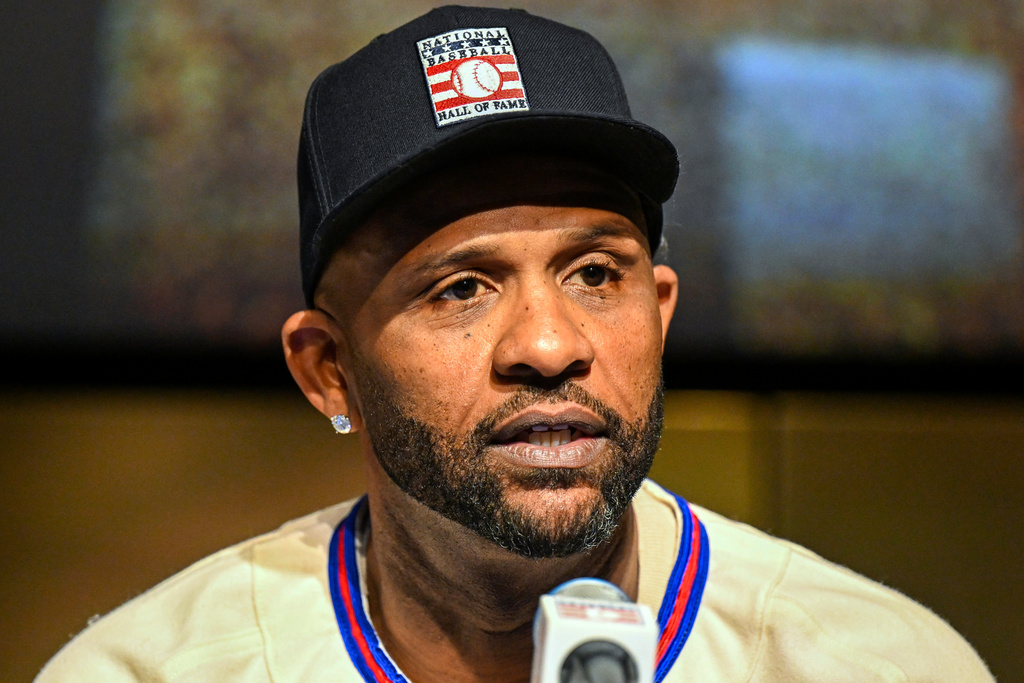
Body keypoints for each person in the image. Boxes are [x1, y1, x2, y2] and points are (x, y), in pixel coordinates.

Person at [37, 6, 993, 682]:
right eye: (460, 287)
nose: (547, 344)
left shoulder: (874, 664)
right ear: (329, 371)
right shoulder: (152, 671)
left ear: (660, 312)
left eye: (594, 274)